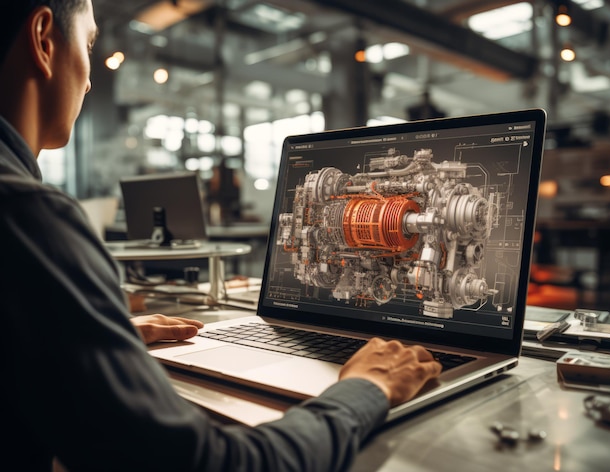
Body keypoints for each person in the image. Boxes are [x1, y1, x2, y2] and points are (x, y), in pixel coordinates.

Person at [0, 1, 442, 471]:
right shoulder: (30, 215)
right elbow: (212, 464)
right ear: (45, 39)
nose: (89, 80)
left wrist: (88, 336)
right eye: (89, 45)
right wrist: (364, 389)